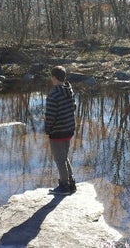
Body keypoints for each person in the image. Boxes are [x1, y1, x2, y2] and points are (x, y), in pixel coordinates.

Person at [45, 66, 77, 195]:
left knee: (59, 159)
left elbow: (50, 116)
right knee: (64, 157)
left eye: (51, 76)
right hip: (68, 130)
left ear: (54, 77)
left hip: (57, 132)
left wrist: (48, 129)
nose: (51, 79)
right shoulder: (69, 90)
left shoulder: (53, 94)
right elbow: (73, 107)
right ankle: (71, 182)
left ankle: (64, 186)